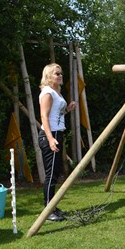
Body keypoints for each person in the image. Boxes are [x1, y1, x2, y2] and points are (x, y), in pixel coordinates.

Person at [38, 63, 76, 222]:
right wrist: (50, 138)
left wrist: (67, 109)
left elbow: (56, 114)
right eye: (57, 74)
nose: (60, 76)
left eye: (61, 73)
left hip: (56, 134)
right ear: (48, 76)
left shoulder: (56, 93)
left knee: (55, 173)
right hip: (50, 135)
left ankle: (52, 206)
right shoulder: (47, 93)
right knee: (51, 175)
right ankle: (48, 210)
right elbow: (44, 117)